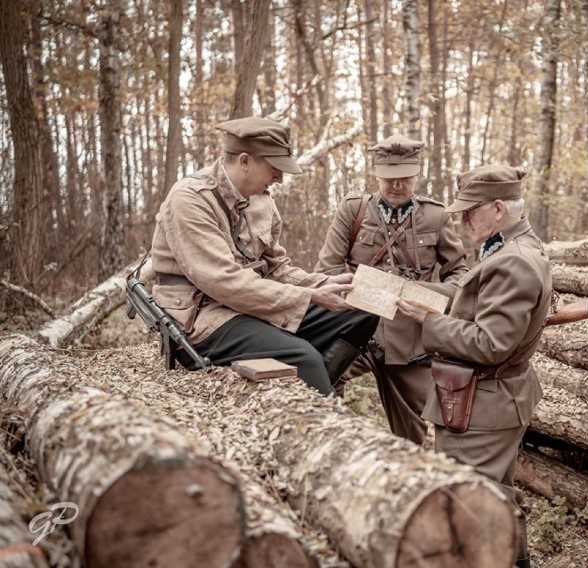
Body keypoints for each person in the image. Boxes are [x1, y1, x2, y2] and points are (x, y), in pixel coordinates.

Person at [151, 116, 378, 395]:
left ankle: (316, 387)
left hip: (250, 306)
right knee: (304, 358)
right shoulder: (189, 200)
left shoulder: (261, 200)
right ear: (244, 161)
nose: (280, 178)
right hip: (204, 318)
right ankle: (318, 404)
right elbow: (224, 283)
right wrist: (308, 297)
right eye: (274, 168)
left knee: (360, 313)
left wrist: (319, 285)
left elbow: (276, 268)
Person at [396, 164, 552, 568]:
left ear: (498, 208)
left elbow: (490, 344)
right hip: (487, 398)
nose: (463, 220)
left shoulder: (513, 260)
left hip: (484, 402)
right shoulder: (510, 245)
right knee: (495, 500)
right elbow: (480, 306)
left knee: (471, 510)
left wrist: (427, 321)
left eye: (470, 211)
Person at [315, 132, 468, 445]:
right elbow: (326, 270)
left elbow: (460, 275)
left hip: (410, 343)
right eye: (389, 179)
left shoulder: (436, 216)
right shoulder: (353, 210)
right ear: (376, 175)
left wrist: (428, 298)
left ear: (416, 175)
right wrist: (358, 294)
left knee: (412, 436)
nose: (397, 186)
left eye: (404, 178)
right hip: (358, 330)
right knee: (319, 383)